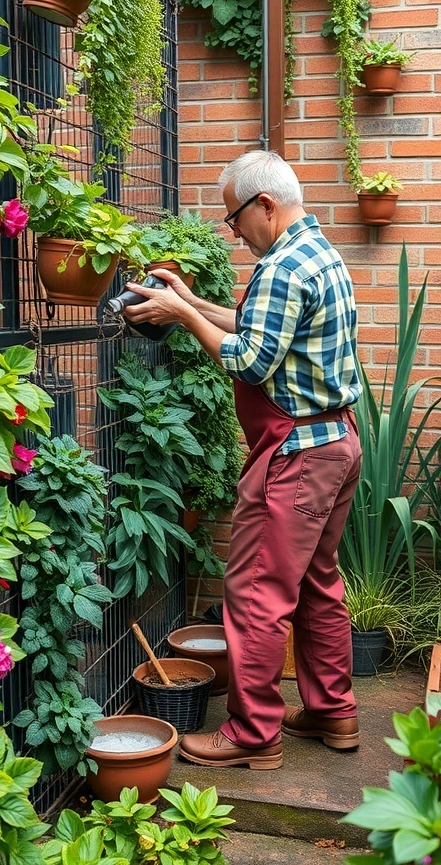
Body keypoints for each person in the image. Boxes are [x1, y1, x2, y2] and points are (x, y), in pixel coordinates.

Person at [123, 150, 362, 770]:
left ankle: (252, 735)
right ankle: (334, 713)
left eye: (234, 219)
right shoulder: (317, 252)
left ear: (265, 205)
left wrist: (178, 315)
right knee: (318, 585)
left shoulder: (282, 267)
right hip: (335, 444)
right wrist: (194, 302)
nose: (232, 232)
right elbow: (265, 333)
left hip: (297, 457)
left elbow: (251, 361)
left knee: (255, 594)